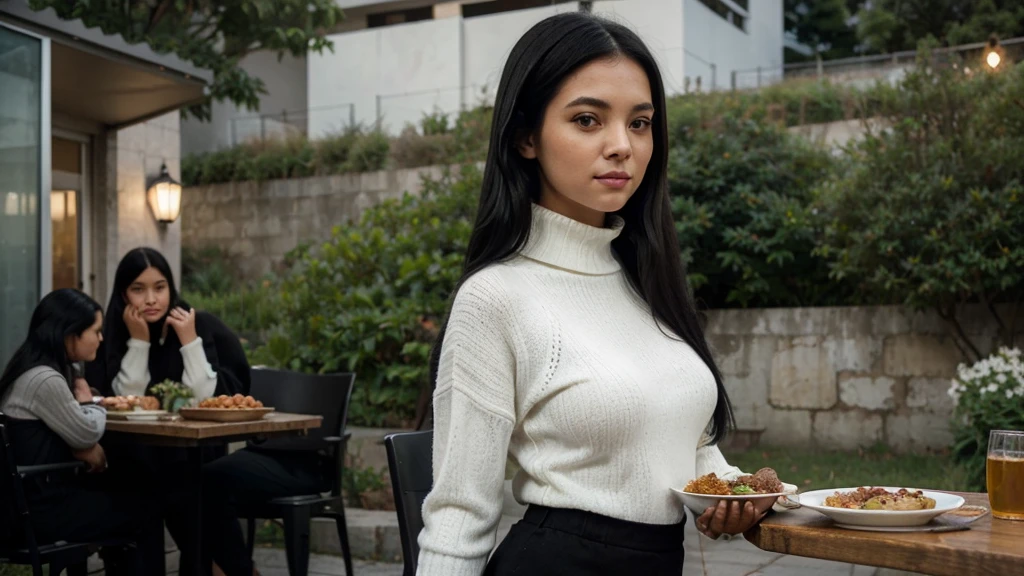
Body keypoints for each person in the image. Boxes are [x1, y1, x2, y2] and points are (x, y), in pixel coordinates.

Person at [416, 13, 774, 576]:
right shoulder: (496, 298)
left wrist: (729, 493)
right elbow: (460, 511)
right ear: (525, 136)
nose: (621, 146)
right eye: (587, 119)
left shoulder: (645, 281)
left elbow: (688, 442)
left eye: (640, 123)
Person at [85, 247, 251, 575]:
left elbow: (207, 398)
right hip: (134, 460)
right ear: (123, 293)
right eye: (138, 289)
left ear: (171, 289)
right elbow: (124, 402)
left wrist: (189, 341)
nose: (150, 299)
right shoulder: (112, 334)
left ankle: (221, 566)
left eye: (159, 288)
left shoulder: (197, 324)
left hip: (192, 457)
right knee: (143, 488)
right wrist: (139, 342)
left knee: (190, 487)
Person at [0, 289, 165, 575]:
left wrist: (82, 440)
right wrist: (88, 402)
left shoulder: (29, 370)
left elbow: (74, 432)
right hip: (38, 513)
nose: (101, 338)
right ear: (70, 333)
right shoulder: (44, 379)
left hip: (26, 505)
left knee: (125, 488)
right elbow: (87, 432)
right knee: (145, 506)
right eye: (95, 331)